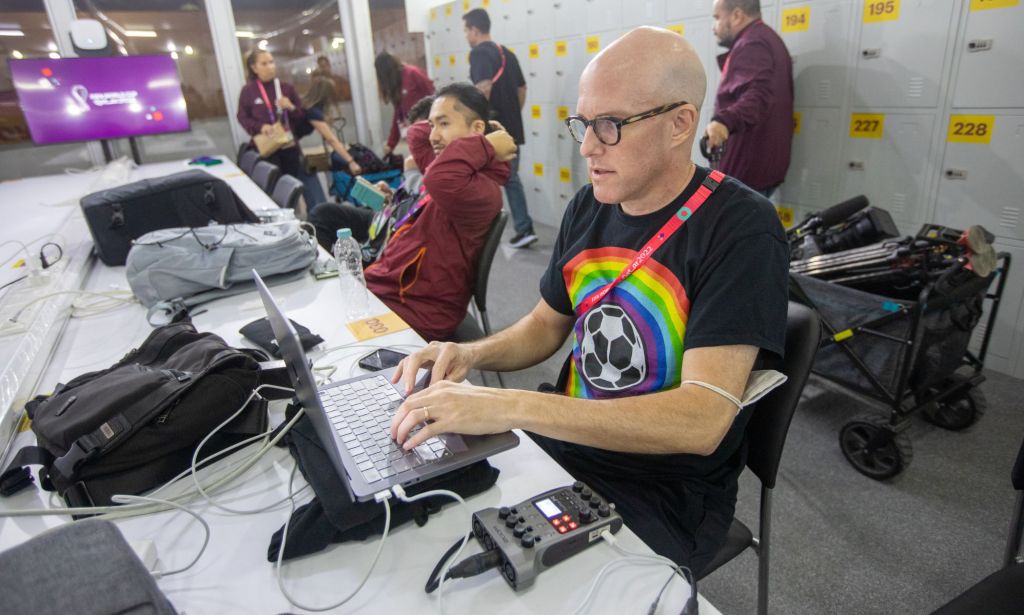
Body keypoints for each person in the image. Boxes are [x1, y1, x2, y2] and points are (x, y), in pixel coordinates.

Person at [388, 27, 789, 574]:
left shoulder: (741, 227)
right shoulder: (590, 204)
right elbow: (543, 326)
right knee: (420, 527)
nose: (587, 146)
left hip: (660, 486)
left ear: (680, 124)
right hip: (563, 442)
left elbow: (701, 419)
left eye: (610, 125)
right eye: (583, 123)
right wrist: (470, 356)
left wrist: (508, 406)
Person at [308, 83, 515, 341]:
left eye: (444, 124)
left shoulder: (480, 189)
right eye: (433, 125)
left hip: (413, 309)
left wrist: (485, 146)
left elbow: (437, 176)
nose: (433, 135)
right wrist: (483, 137)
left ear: (476, 130)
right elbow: (417, 136)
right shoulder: (458, 169)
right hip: (388, 289)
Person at [463, 8, 537, 249]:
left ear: (474, 29)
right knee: (509, 177)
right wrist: (512, 116)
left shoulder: (479, 54)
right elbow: (522, 89)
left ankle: (486, 233)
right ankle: (523, 228)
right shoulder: (507, 53)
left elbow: (483, 89)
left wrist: (478, 126)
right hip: (511, 127)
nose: (465, 35)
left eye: (466, 30)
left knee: (489, 179)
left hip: (492, 129)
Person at [705, 0, 794, 198]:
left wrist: (723, 122)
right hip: (761, 168)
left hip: (747, 171)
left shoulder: (752, 44)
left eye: (717, 18)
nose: (714, 27)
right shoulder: (767, 38)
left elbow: (758, 96)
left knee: (732, 228)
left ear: (737, 15)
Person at [236, 49, 306, 183]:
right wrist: (260, 127)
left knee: (290, 184)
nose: (270, 67)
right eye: (264, 63)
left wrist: (290, 107)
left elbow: (301, 115)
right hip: (267, 147)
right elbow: (242, 117)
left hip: (288, 146)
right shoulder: (248, 91)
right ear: (254, 68)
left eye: (271, 62)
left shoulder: (286, 88)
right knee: (273, 185)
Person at [374, 52, 435, 159]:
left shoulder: (412, 73)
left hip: (429, 130)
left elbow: (434, 96)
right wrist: (390, 144)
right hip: (415, 135)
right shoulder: (396, 84)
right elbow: (398, 116)